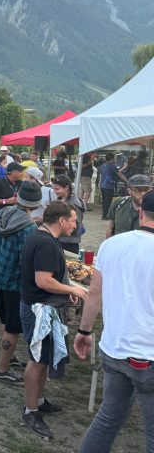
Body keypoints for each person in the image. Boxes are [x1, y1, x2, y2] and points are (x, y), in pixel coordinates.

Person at [73, 190, 154, 453]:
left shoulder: (111, 244)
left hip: (115, 348)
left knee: (108, 418)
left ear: (140, 212)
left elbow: (94, 294)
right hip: (148, 353)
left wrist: (84, 330)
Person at [19, 201, 87, 440]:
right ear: (61, 220)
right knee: (37, 359)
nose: (75, 225)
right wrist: (75, 290)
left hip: (40, 305)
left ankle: (38, 401)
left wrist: (65, 288)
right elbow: (43, 280)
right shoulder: (46, 242)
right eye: (73, 221)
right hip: (38, 309)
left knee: (43, 357)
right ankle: (31, 410)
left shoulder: (41, 236)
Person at [0, 181, 41, 384]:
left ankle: (9, 357)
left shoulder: (1, 214)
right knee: (13, 327)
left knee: (6, 321)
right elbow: (27, 261)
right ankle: (2, 369)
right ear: (35, 204)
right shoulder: (29, 228)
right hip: (14, 282)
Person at [49, 174, 86, 254]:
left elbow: (76, 226)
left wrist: (56, 227)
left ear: (66, 187)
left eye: (57, 189)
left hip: (69, 244)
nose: (55, 191)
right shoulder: (60, 199)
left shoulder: (75, 204)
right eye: (53, 189)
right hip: (59, 240)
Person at [98, 153, 122, 220]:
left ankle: (104, 214)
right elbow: (119, 174)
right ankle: (105, 215)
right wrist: (127, 181)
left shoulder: (102, 166)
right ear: (111, 159)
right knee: (108, 201)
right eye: (113, 159)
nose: (114, 160)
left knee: (104, 201)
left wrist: (99, 184)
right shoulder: (112, 166)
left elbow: (101, 175)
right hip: (109, 186)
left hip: (102, 185)